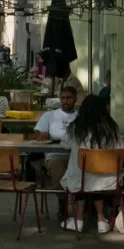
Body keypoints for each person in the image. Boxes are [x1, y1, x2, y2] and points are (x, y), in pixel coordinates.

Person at [59, 94, 124, 233]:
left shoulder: (76, 128)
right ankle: (101, 220)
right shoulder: (112, 129)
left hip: (81, 179)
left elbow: (64, 143)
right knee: (95, 180)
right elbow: (122, 151)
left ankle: (78, 219)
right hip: (108, 180)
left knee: (84, 178)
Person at [31, 86, 80, 217]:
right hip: (55, 155)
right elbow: (37, 134)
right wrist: (42, 135)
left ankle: (84, 204)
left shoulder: (81, 117)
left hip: (77, 156)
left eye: (69, 98)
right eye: (63, 98)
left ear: (76, 99)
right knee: (59, 167)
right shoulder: (49, 115)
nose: (65, 101)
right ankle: (62, 202)